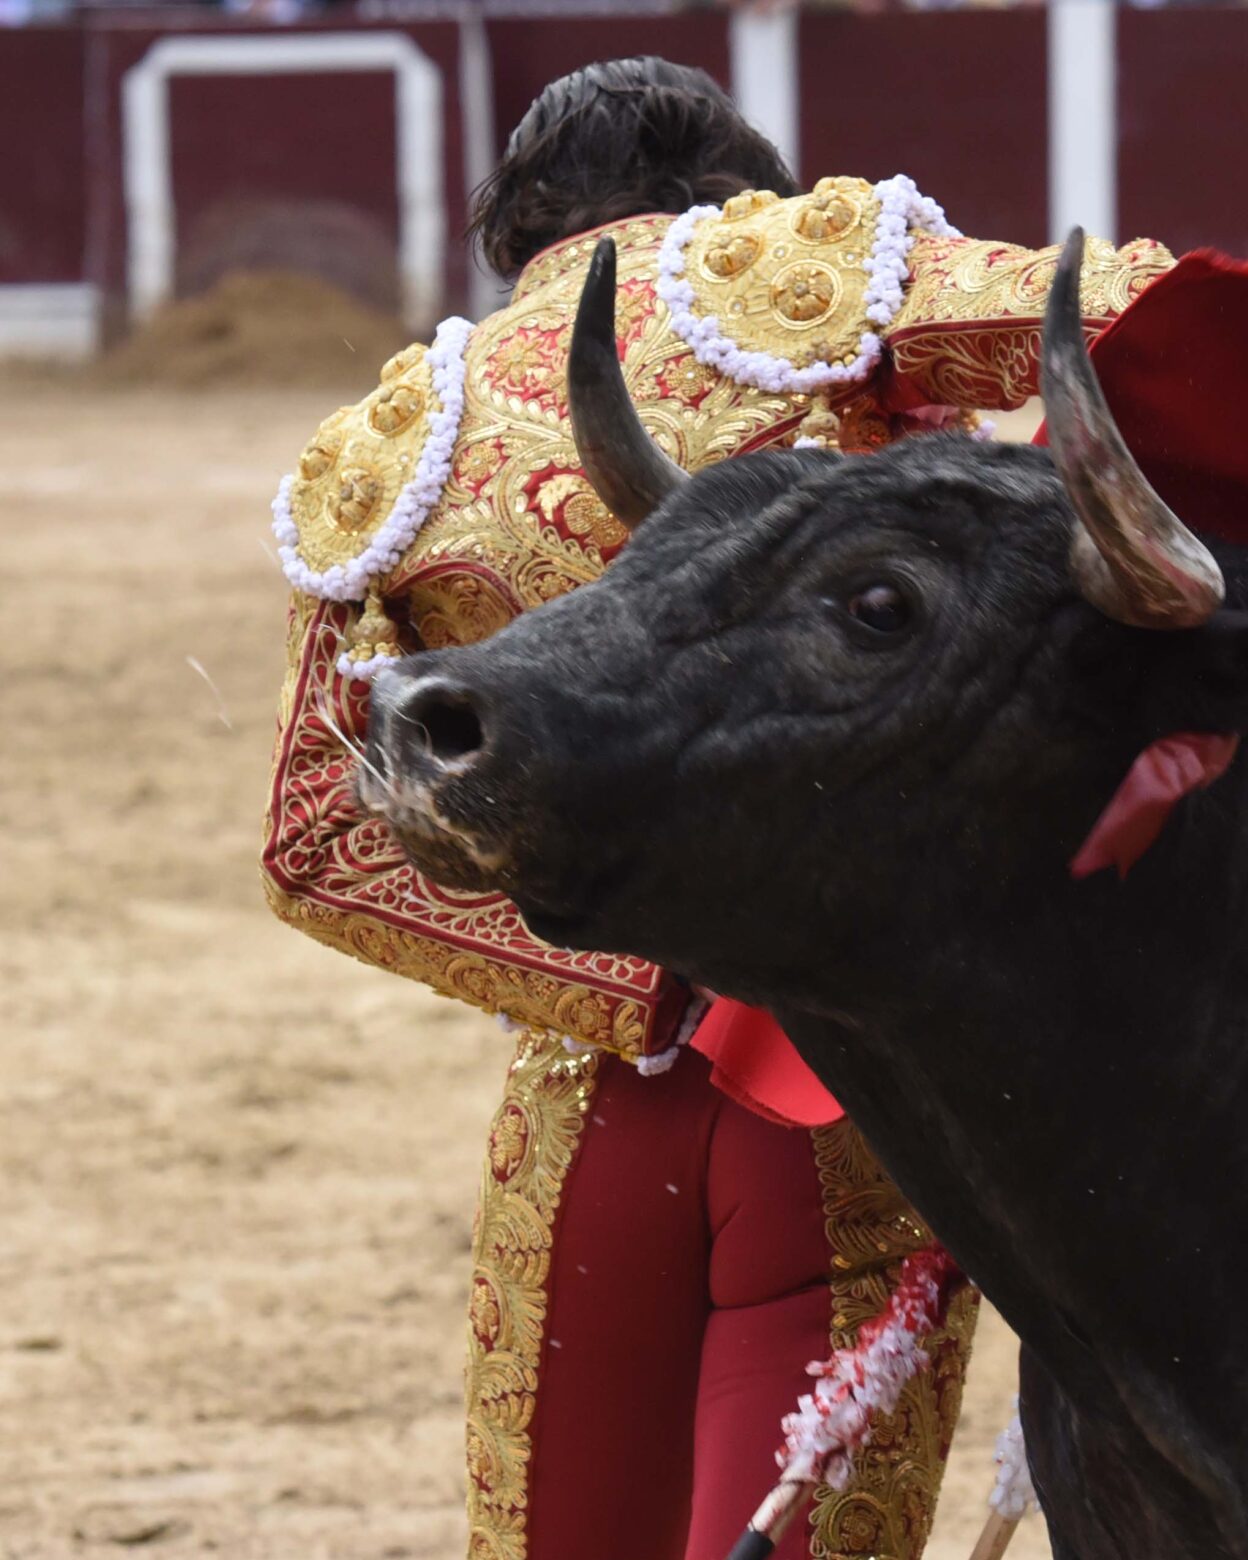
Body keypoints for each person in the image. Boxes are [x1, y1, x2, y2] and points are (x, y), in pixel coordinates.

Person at [259, 57, 1174, 1560]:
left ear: (521, 232)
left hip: (581, 1103)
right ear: (734, 187)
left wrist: (625, 968)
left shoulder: (401, 435)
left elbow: (322, 837)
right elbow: (1139, 318)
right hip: (845, 1073)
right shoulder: (813, 269)